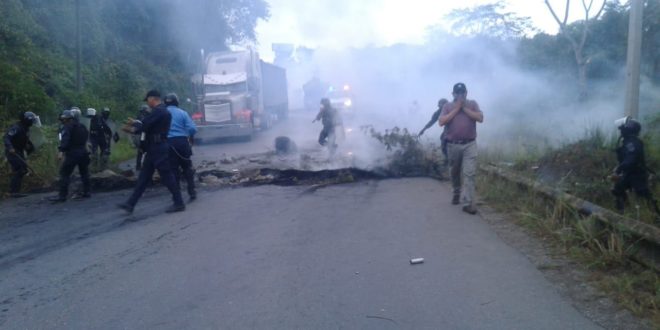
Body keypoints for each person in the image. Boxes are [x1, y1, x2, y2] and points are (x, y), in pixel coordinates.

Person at [117, 90, 185, 214]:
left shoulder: (160, 111)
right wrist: (135, 125)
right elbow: (146, 125)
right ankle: (130, 204)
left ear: (153, 99)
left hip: (158, 148)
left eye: (148, 100)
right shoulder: (160, 111)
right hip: (154, 148)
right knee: (143, 177)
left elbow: (145, 125)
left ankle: (179, 202)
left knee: (167, 176)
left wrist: (132, 128)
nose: (147, 103)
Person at [439, 82, 484, 215]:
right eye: (457, 93)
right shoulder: (447, 106)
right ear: (453, 94)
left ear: (466, 93)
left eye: (462, 92)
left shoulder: (472, 104)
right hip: (453, 145)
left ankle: (469, 203)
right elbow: (441, 121)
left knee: (469, 173)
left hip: (469, 144)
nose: (460, 95)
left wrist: (464, 108)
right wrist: (457, 109)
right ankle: (456, 191)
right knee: (454, 172)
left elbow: (480, 118)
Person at [611, 116, 660, 216]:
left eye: (622, 129)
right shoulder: (629, 141)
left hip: (637, 174)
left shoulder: (632, 143)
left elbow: (631, 160)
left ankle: (656, 216)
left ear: (627, 130)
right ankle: (622, 213)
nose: (620, 131)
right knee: (617, 189)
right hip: (629, 173)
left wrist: (619, 168)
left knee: (644, 195)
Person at [49, 110, 91, 202]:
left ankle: (62, 196)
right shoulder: (82, 126)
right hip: (83, 152)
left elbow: (65, 139)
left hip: (73, 153)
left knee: (64, 173)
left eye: (64, 119)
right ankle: (87, 192)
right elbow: (86, 139)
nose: (63, 121)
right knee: (84, 173)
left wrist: (61, 151)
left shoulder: (67, 127)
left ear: (68, 119)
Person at [164, 93, 198, 201]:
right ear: (177, 102)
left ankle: (177, 196)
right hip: (182, 142)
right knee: (187, 167)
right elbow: (192, 129)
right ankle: (192, 191)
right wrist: (188, 136)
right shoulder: (183, 113)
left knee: (173, 170)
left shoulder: (162, 113)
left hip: (168, 144)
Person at [3, 111, 40, 198]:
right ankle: (13, 192)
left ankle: (15, 191)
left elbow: (25, 141)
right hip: (12, 152)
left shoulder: (25, 128)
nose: (32, 123)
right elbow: (7, 138)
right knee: (20, 169)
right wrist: (10, 147)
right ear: (27, 120)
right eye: (31, 121)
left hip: (19, 151)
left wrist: (29, 147)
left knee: (23, 170)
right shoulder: (16, 128)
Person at [418, 98, 450, 165]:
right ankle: (447, 158)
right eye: (439, 105)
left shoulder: (452, 109)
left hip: (457, 129)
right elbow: (432, 121)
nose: (440, 107)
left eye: (441, 105)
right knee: (443, 139)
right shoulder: (438, 112)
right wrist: (423, 129)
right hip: (448, 129)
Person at [133, 104, 150, 170]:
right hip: (142, 135)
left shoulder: (138, 116)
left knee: (141, 150)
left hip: (138, 135)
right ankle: (142, 166)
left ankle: (138, 166)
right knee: (144, 150)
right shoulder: (143, 117)